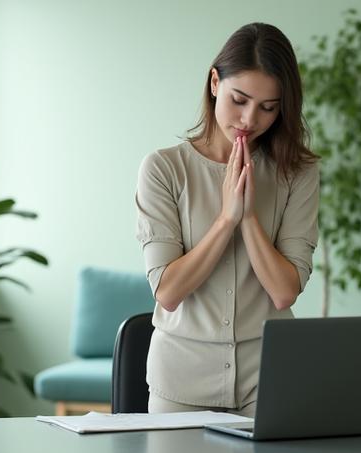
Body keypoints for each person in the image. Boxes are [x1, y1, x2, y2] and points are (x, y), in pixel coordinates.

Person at [135, 22, 319, 417]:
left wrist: (248, 217)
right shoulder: (163, 169)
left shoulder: (297, 172)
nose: (250, 119)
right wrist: (225, 219)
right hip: (181, 384)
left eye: (269, 107)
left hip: (272, 381)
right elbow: (167, 291)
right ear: (215, 82)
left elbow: (285, 291)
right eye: (240, 99)